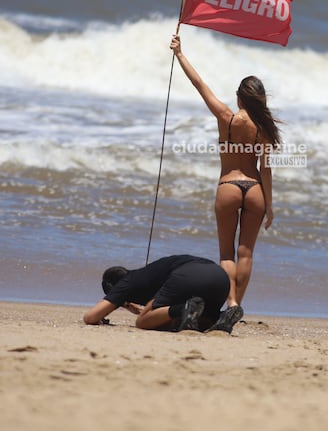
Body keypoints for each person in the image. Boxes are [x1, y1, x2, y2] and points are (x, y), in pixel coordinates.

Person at [170, 34, 282, 319]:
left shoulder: (226, 118)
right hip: (255, 189)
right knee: (246, 254)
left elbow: (199, 85)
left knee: (226, 254)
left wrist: (180, 54)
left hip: (228, 185)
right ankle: (236, 306)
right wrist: (269, 205)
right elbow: (266, 169)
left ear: (239, 97)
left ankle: (229, 301)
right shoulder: (264, 127)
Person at [82, 254, 243, 333]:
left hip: (188, 276)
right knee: (197, 320)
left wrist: (124, 304)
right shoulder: (145, 274)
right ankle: (220, 316)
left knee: (142, 322)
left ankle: (182, 308)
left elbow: (90, 317)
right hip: (220, 278)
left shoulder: (126, 282)